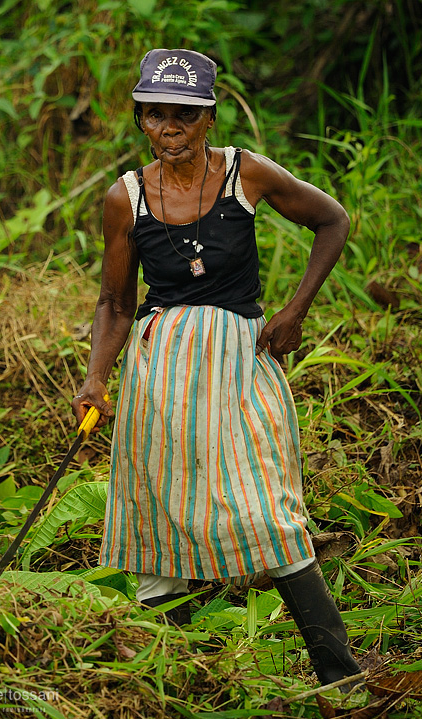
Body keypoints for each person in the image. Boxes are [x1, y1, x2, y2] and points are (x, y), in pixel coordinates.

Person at [72, 48, 361, 687]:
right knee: (161, 511)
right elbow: (115, 301)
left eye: (184, 115)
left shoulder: (245, 174)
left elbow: (332, 220)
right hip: (161, 375)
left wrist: (294, 311)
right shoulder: (125, 198)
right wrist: (96, 377)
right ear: (141, 119)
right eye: (155, 115)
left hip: (238, 365)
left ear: (209, 118)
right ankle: (174, 682)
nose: (169, 129)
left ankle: (339, 678)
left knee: (265, 508)